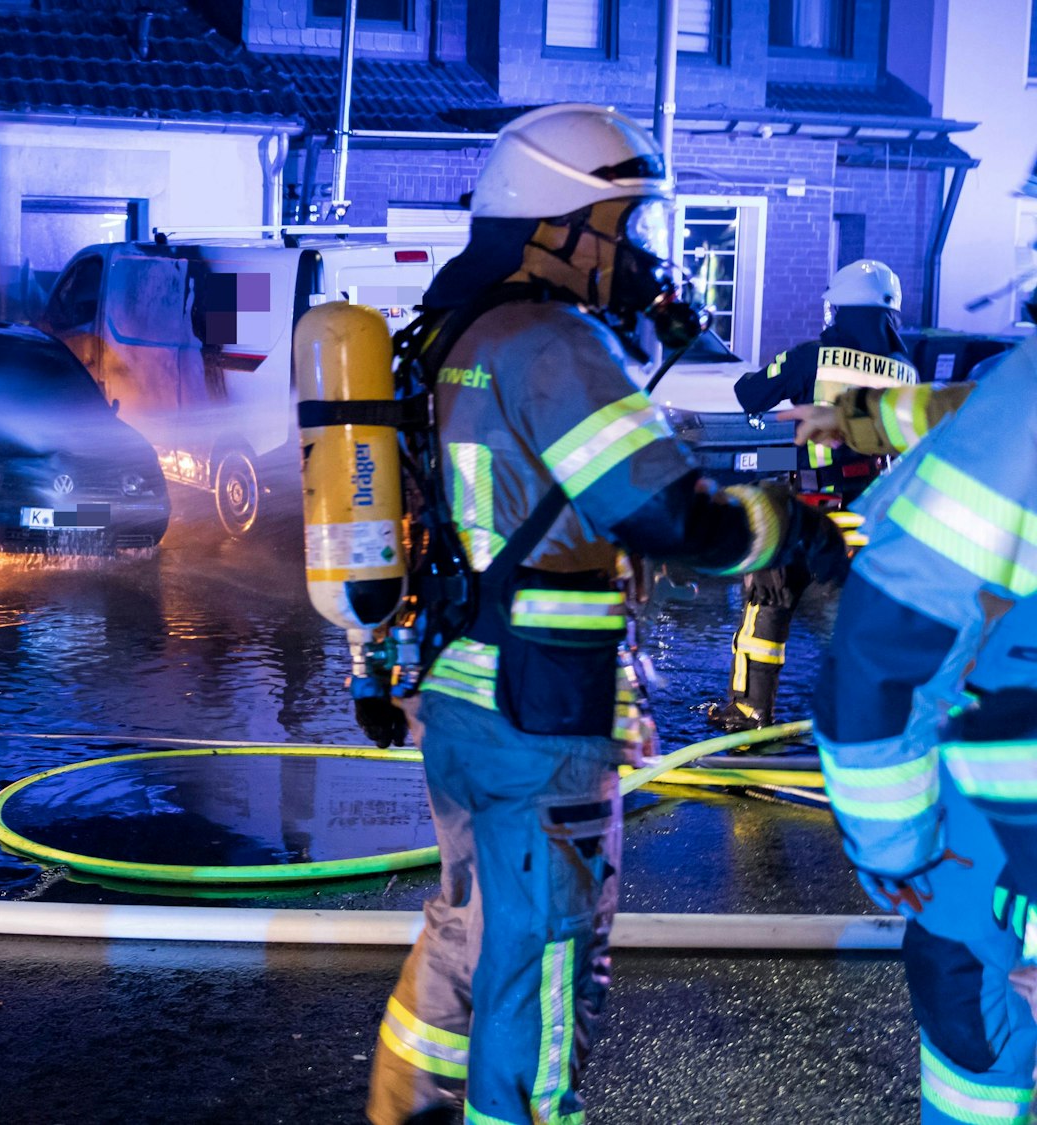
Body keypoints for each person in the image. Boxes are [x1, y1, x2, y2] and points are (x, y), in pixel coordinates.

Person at [366, 104, 849, 1125]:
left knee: (475, 935)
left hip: (462, 695)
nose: (633, 251)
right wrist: (782, 527)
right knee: (544, 964)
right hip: (539, 713)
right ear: (554, 223)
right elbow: (665, 513)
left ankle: (401, 1106)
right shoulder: (550, 338)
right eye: (620, 224)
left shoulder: (455, 334)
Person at [811, 161, 1037, 1125]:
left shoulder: (1017, 402)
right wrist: (862, 415)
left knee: (979, 1059)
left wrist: (896, 850)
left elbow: (883, 656)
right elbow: (963, 406)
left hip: (1001, 867)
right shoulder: (918, 357)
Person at [704, 260, 918, 733]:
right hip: (875, 519)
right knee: (876, 624)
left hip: (811, 512)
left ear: (837, 310)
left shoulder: (810, 358)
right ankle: (878, 721)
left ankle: (749, 716)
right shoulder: (906, 370)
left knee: (767, 606)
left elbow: (749, 395)